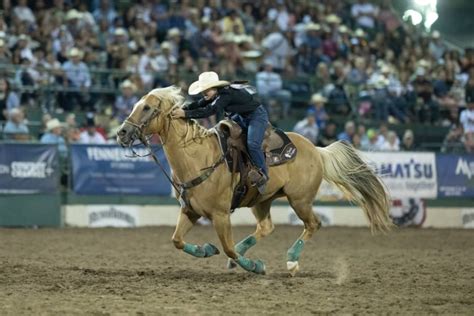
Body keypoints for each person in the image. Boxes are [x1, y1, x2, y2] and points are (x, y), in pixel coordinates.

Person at [171, 71, 269, 193]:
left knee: (253, 144)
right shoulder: (217, 94)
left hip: (256, 116)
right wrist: (183, 109)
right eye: (203, 90)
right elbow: (199, 104)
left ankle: (263, 174)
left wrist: (185, 114)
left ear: (214, 88)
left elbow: (211, 110)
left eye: (206, 89)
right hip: (240, 116)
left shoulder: (225, 94)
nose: (203, 93)